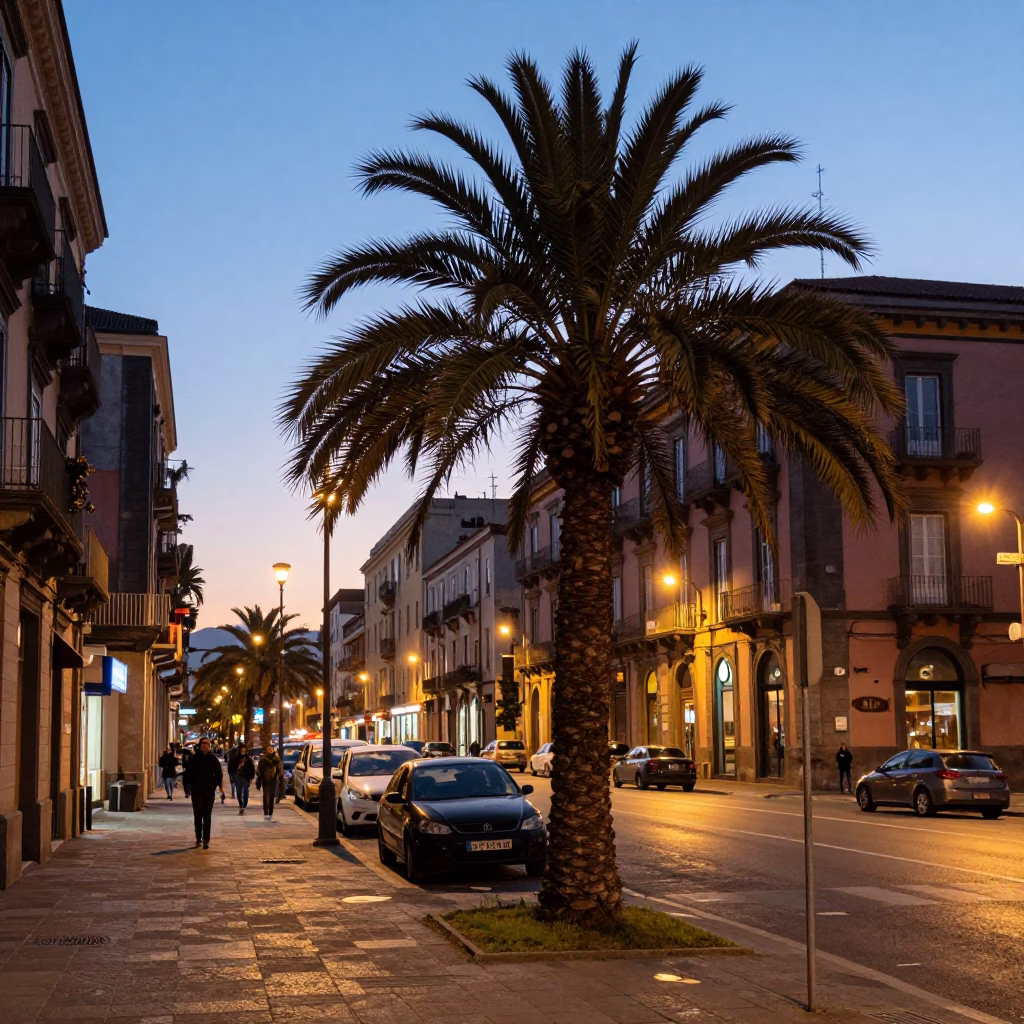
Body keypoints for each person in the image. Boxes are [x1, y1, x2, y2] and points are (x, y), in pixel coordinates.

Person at [184, 737, 224, 848]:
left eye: (207, 744)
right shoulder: (194, 758)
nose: (205, 745)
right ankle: (198, 836)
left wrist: (219, 786)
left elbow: (219, 774)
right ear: (200, 745)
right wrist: (187, 788)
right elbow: (187, 774)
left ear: (209, 746)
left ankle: (206, 839)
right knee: (198, 814)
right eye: (203, 743)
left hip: (209, 790)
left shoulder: (213, 759)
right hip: (196, 790)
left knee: (207, 815)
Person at [257, 745, 283, 819]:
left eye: (270, 749)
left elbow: (279, 768)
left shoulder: (276, 759)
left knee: (271, 796)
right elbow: (260, 769)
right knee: (265, 795)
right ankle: (266, 809)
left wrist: (280, 777)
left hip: (273, 779)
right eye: (268, 749)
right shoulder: (263, 759)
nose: (269, 750)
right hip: (264, 779)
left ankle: (270, 810)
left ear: (273, 750)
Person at [231, 744, 256, 815]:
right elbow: (231, 767)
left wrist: (251, 777)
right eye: (242, 750)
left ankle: (244, 804)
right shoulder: (235, 758)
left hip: (246, 777)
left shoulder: (248, 759)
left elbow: (251, 768)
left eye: (244, 750)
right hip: (238, 776)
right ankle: (241, 804)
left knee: (245, 791)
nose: (243, 751)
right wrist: (234, 775)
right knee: (239, 791)